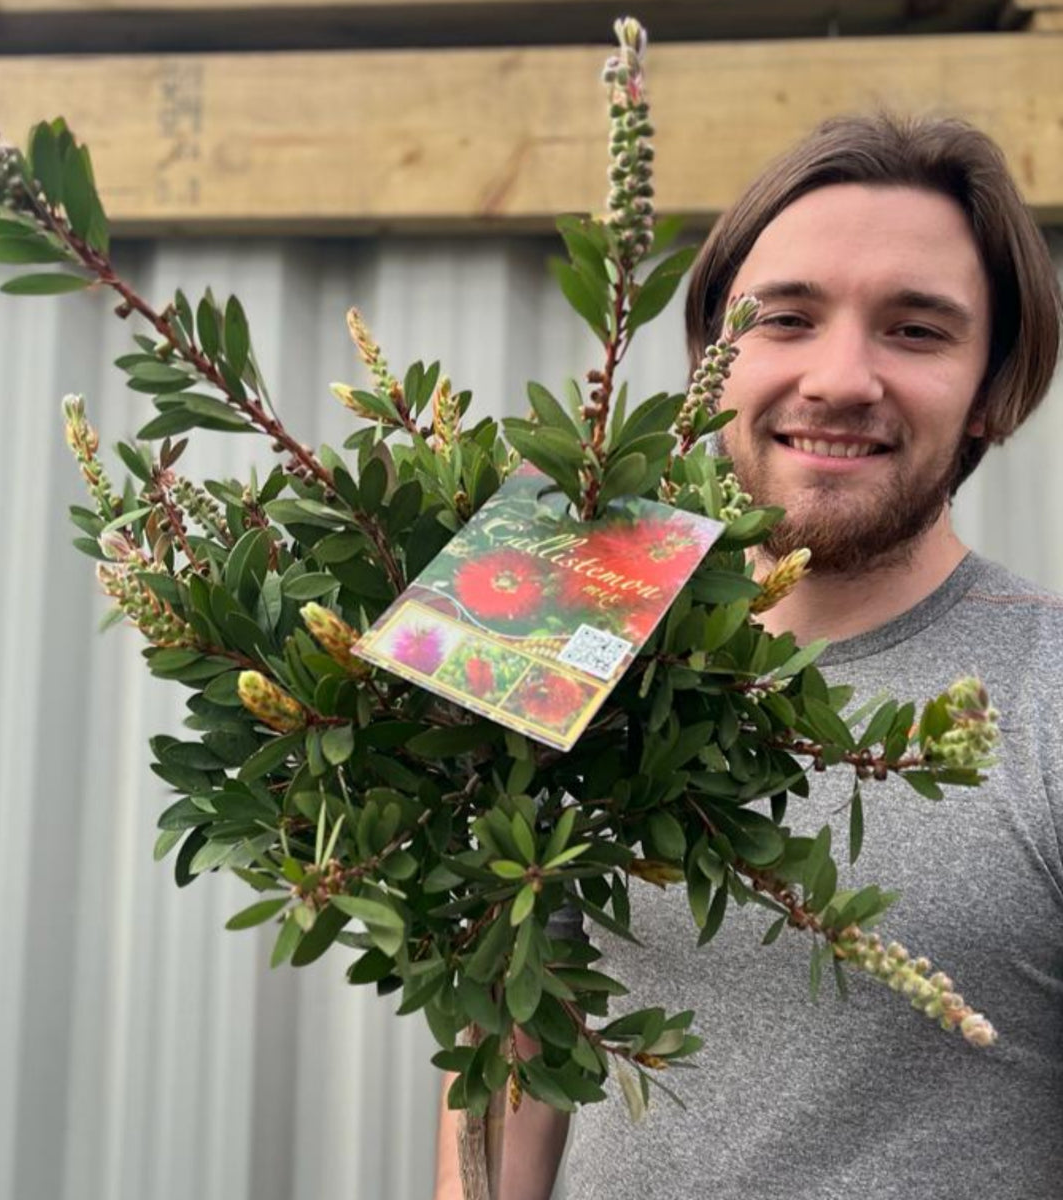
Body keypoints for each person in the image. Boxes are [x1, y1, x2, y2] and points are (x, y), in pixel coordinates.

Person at [433, 113, 1063, 1199]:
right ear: (710, 362)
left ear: (993, 388)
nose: (839, 378)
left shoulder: (1047, 689)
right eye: (788, 318)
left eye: (916, 330)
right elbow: (513, 1046)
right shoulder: (571, 608)